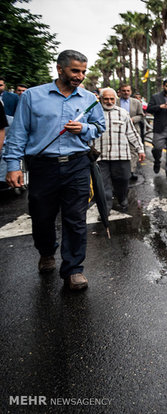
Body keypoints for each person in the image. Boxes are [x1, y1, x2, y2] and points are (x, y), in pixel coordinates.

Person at [2, 49, 106, 290]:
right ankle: (47, 251)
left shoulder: (90, 98)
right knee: (42, 216)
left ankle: (73, 270)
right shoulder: (31, 96)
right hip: (42, 166)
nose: (80, 76)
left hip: (77, 164)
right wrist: (12, 166)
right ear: (59, 69)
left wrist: (83, 129)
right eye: (75, 71)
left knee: (76, 218)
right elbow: (18, 133)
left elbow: (99, 127)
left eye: (83, 71)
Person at [96, 88, 145, 213]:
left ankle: (122, 197)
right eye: (105, 99)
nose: (109, 101)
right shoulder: (94, 113)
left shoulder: (123, 113)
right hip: (101, 156)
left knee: (123, 179)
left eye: (112, 99)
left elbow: (132, 133)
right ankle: (105, 208)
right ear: (101, 99)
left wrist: (140, 149)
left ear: (115, 99)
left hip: (121, 155)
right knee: (103, 184)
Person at [117, 84, 145, 180]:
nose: (126, 92)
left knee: (133, 150)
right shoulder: (115, 102)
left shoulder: (136, 102)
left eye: (128, 91)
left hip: (133, 129)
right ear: (120, 92)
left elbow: (141, 115)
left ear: (130, 92)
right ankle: (120, 171)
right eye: (123, 90)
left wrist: (133, 119)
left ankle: (131, 171)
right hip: (118, 130)